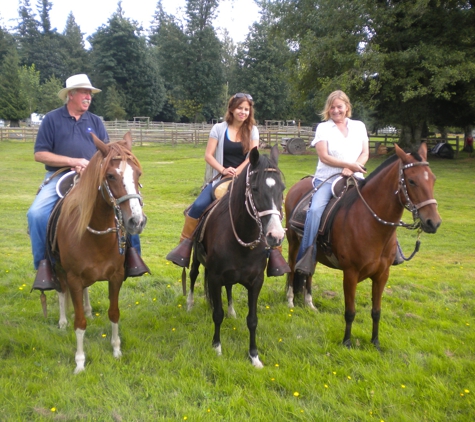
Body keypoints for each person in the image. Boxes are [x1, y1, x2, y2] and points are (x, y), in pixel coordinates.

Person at [28, 74, 147, 290]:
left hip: (92, 177)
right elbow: (40, 154)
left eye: (90, 93)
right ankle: (44, 267)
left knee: (125, 206)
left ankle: (131, 257)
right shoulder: (51, 119)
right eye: (84, 92)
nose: (88, 97)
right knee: (36, 214)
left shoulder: (95, 121)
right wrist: (72, 161)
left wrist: (95, 166)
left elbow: (107, 153)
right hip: (58, 176)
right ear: (70, 95)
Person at [166, 93, 289, 275]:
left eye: (246, 109)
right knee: (198, 205)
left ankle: (275, 253)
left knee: (270, 206)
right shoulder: (218, 128)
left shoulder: (252, 130)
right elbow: (208, 155)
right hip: (221, 178)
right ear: (231, 109)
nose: (243, 112)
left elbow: (252, 157)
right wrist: (223, 170)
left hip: (247, 178)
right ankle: (185, 246)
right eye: (240, 108)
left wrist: (238, 171)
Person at [295, 90, 369, 276]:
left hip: (355, 177)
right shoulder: (323, 128)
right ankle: (306, 258)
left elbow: (365, 153)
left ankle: (392, 250)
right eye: (332, 107)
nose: (336, 110)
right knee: (315, 210)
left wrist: (354, 167)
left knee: (379, 201)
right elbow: (324, 156)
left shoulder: (359, 126)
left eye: (339, 107)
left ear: (347, 107)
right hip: (328, 179)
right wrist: (346, 164)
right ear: (328, 109)